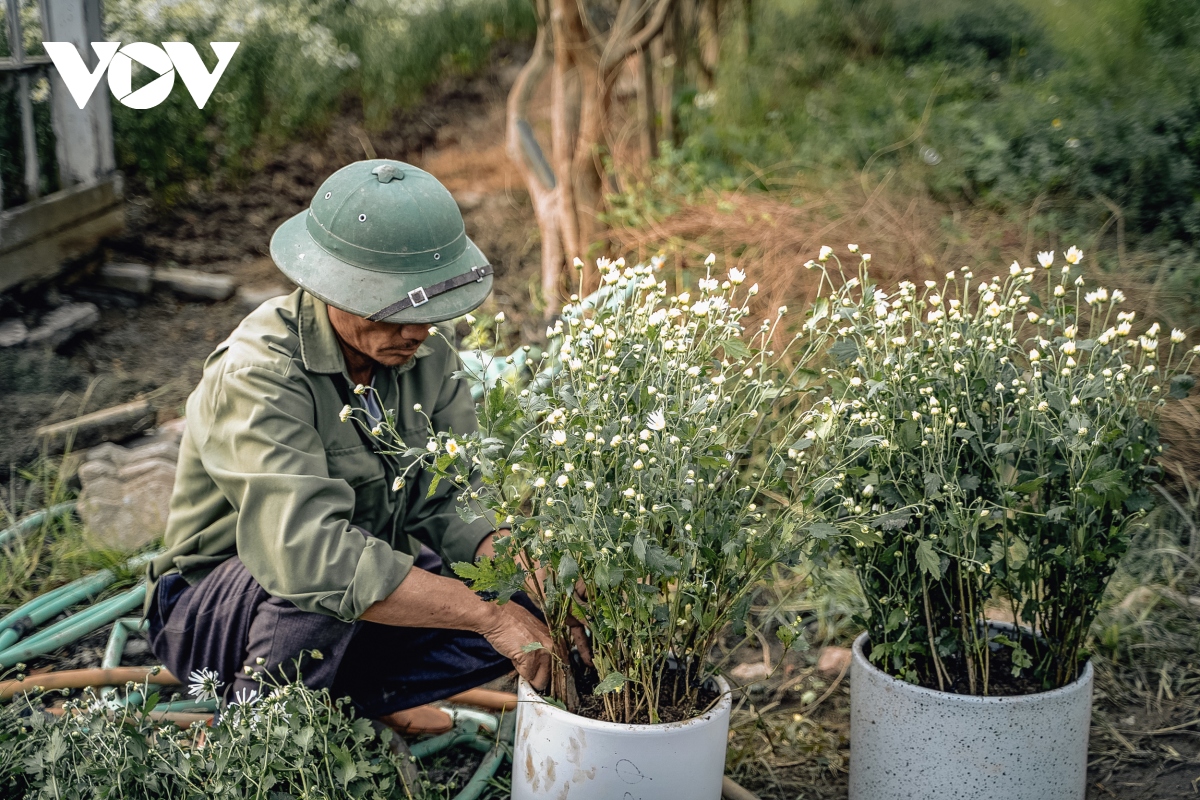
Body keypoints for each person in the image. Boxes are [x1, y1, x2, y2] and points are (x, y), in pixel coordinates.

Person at [144, 159, 555, 734]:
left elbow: (454, 501)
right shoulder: (260, 372)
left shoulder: (422, 355)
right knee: (328, 590)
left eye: (430, 312)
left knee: (528, 603)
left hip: (341, 585)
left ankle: (348, 703)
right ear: (333, 285)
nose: (417, 331)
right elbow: (308, 557)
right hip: (215, 608)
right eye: (395, 311)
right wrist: (486, 615)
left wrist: (530, 577)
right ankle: (257, 743)